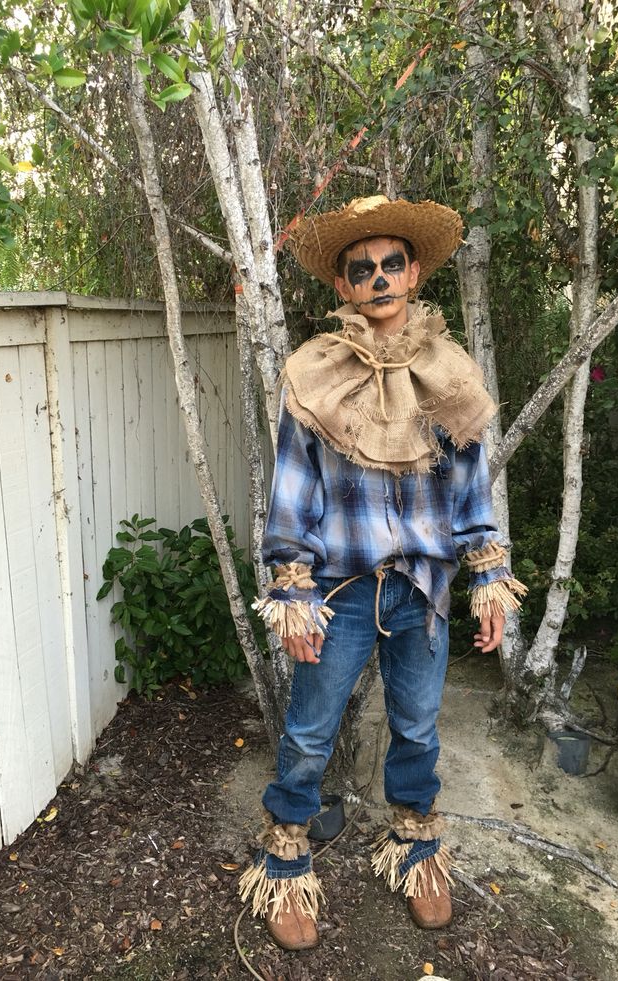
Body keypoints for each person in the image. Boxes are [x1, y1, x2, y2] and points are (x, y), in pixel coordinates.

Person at [238, 195, 527, 950]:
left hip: (423, 591)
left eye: (391, 263)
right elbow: (293, 491)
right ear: (344, 285)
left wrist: (489, 575)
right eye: (361, 268)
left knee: (419, 726)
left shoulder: (449, 372)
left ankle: (417, 846)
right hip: (340, 592)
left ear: (415, 269)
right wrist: (292, 592)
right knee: (308, 731)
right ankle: (286, 858)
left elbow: (470, 490)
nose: (378, 277)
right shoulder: (316, 374)